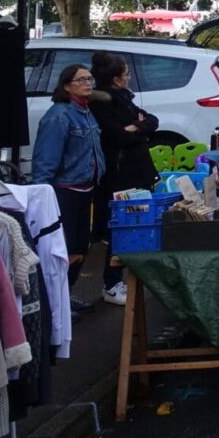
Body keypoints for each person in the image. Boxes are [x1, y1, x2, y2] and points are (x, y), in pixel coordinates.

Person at [32, 63, 107, 309]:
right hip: (64, 192)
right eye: (81, 80)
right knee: (61, 250)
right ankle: (55, 304)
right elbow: (45, 161)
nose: (88, 83)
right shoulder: (59, 116)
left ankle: (66, 297)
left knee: (79, 248)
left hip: (86, 190)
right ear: (66, 86)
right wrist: (41, 199)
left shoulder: (87, 112)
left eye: (90, 79)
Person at [88, 52, 158, 305]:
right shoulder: (104, 104)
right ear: (117, 79)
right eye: (128, 74)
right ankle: (111, 282)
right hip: (120, 174)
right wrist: (138, 127)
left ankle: (123, 277)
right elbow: (117, 136)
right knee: (121, 225)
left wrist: (137, 126)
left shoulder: (124, 100)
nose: (130, 78)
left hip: (136, 170)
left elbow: (152, 120)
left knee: (135, 221)